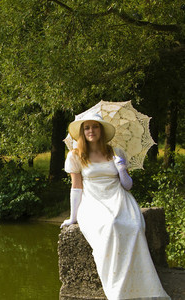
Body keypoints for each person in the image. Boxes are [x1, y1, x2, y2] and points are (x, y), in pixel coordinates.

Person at [60, 113, 170, 300]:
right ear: (82, 132)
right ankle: (118, 289)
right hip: (93, 199)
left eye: (95, 127)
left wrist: (121, 170)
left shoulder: (116, 152)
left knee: (134, 227)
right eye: (87, 128)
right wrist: (73, 217)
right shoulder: (76, 155)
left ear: (101, 130)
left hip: (118, 197)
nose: (91, 131)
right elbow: (76, 187)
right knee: (110, 226)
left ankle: (140, 287)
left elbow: (127, 185)